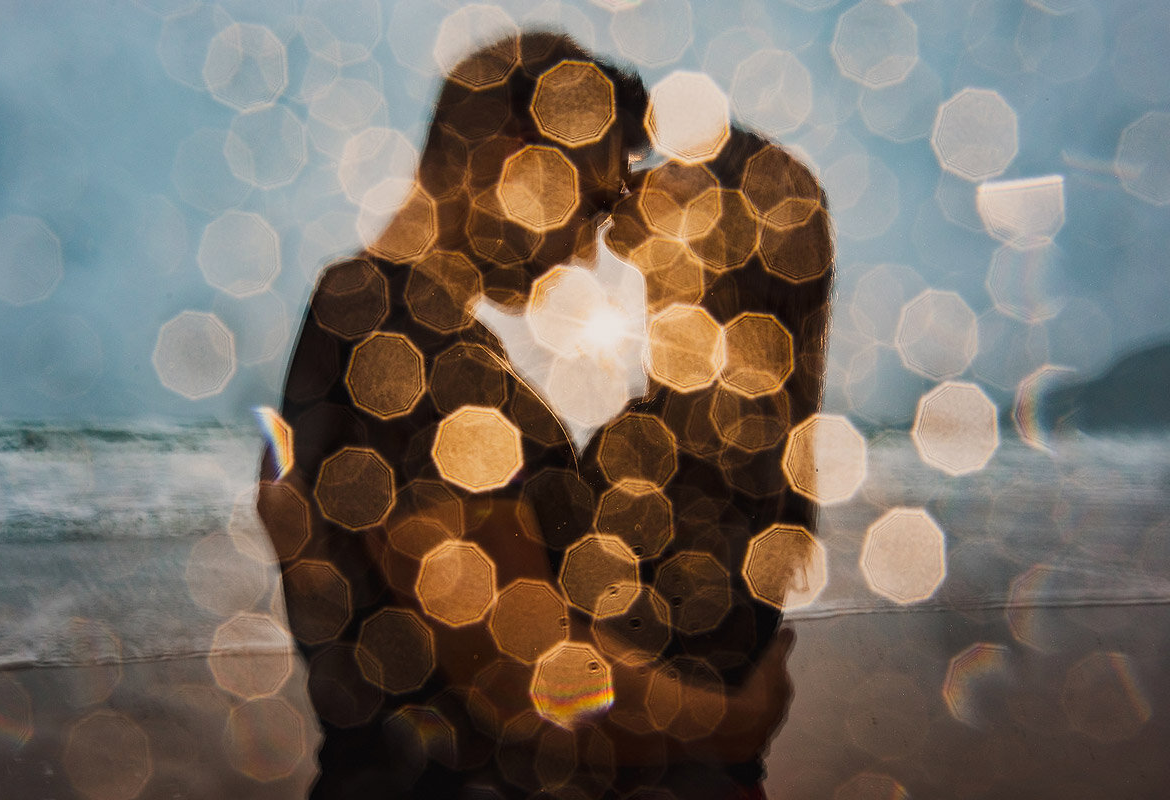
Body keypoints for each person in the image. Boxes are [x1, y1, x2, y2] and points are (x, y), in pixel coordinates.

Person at [257, 30, 833, 799]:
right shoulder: (392, 337)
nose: (588, 256)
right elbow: (519, 677)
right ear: (506, 152)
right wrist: (738, 724)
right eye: (591, 204)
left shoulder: (389, 331)